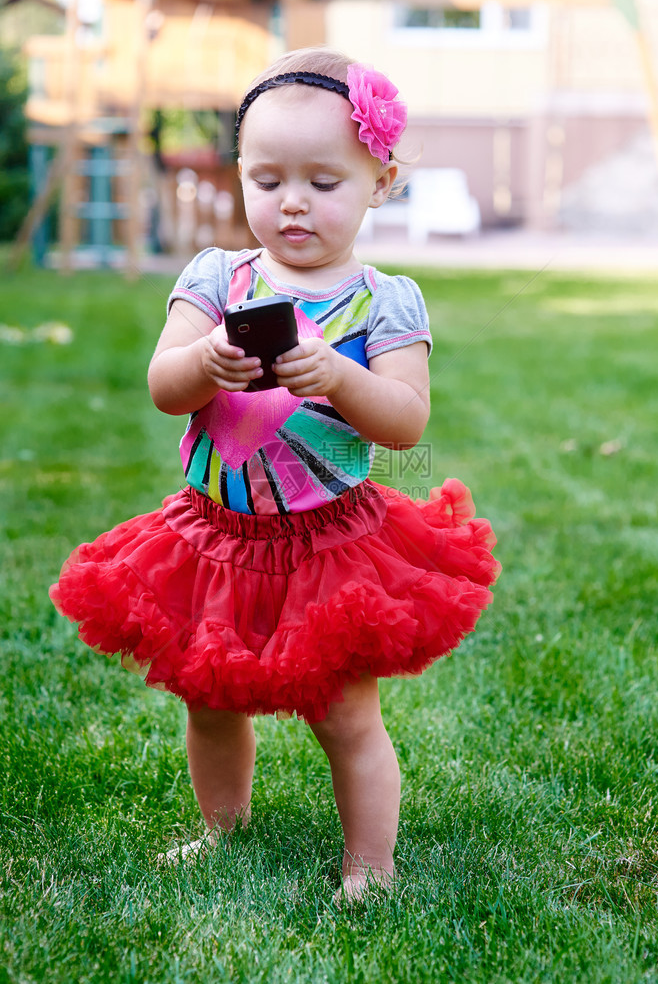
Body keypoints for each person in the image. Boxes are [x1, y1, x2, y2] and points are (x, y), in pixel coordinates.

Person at [50, 48, 500, 902]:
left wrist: (339, 376)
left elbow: (405, 420)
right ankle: (222, 825)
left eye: (322, 181)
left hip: (328, 541)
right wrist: (206, 361)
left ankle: (369, 863)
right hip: (215, 535)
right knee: (212, 697)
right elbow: (160, 386)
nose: (290, 200)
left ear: (380, 179)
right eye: (266, 178)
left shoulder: (383, 300)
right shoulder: (218, 278)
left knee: (343, 713)